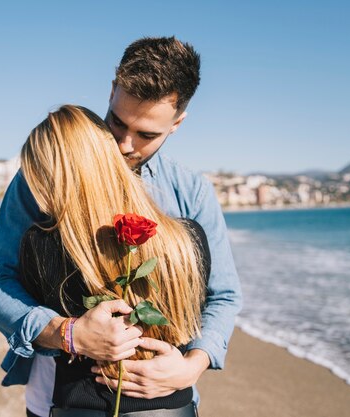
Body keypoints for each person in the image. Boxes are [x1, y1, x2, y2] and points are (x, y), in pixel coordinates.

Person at [0, 36, 242, 417]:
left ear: (177, 123)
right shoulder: (44, 177)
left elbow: (223, 295)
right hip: (56, 401)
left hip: (166, 404)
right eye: (116, 122)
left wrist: (191, 366)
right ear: (112, 91)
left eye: (146, 134)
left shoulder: (191, 191)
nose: (123, 144)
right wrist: (67, 334)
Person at [19, 105, 210, 416]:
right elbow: (205, 310)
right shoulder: (188, 239)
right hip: (173, 407)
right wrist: (194, 364)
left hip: (79, 406)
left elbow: (32, 316)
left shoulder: (39, 244)